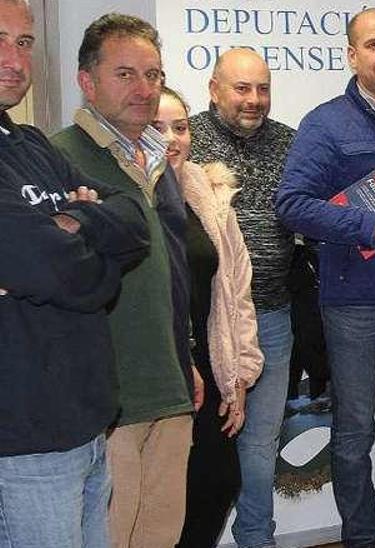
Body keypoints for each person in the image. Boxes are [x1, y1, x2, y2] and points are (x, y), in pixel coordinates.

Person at [275, 8, 375, 547]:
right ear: (352, 55)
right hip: (353, 305)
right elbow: (292, 205)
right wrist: (370, 226)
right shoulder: (325, 123)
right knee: (354, 435)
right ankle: (362, 537)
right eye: (372, 45)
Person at [0, 1, 148, 545]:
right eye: (0, 38)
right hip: (23, 441)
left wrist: (73, 224)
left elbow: (134, 223)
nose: (15, 59)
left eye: (23, 42)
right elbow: (63, 272)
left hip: (86, 426)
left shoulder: (30, 143)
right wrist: (89, 243)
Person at [51, 12, 198, 547]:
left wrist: (185, 361)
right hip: (106, 401)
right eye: (125, 74)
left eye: (153, 74)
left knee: (161, 537)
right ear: (87, 82)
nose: (144, 88)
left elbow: (171, 276)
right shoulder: (56, 159)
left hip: (169, 388)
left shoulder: (160, 163)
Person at [186, 47, 296, 547]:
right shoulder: (183, 138)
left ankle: (257, 540)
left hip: (272, 316)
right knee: (200, 449)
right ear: (214, 89)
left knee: (260, 443)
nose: (254, 100)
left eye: (263, 88)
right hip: (207, 327)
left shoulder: (293, 143)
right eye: (241, 88)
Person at [155, 87, 265, 548]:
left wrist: (239, 375)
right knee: (160, 502)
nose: (172, 139)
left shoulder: (212, 197)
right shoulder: (129, 198)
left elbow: (238, 291)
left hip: (214, 365)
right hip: (160, 375)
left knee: (217, 485)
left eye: (180, 127)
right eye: (157, 128)